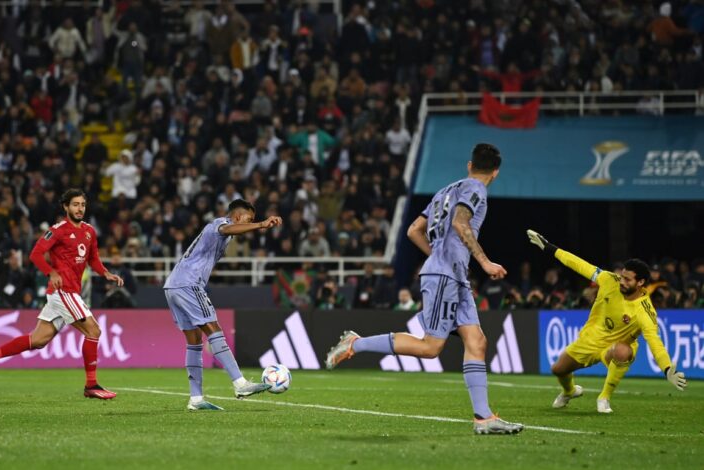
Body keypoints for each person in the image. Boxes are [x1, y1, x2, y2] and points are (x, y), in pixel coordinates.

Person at [325, 143, 523, 435]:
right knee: (431, 347)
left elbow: (413, 230)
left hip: (452, 275)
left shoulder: (445, 190)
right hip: (445, 275)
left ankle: (484, 418)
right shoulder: (476, 190)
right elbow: (460, 223)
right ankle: (356, 343)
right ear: (495, 172)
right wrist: (484, 261)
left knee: (476, 341)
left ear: (470, 165)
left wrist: (438, 255)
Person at [0, 189, 125, 400]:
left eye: (82, 204)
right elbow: (35, 254)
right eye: (75, 204)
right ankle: (91, 385)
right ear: (66, 207)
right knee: (94, 330)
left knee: (38, 340)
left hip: (67, 294)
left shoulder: (89, 231)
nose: (80, 208)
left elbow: (93, 259)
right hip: (64, 292)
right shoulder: (58, 230)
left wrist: (105, 273)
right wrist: (51, 272)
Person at [526, 230, 687, 413]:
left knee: (623, 351)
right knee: (558, 369)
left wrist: (667, 368)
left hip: (614, 346)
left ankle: (604, 397)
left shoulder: (645, 310)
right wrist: (550, 248)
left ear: (641, 282)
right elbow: (580, 265)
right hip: (590, 340)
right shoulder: (609, 280)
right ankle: (569, 391)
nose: (622, 281)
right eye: (622, 276)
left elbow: (654, 342)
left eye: (627, 279)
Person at [164, 199, 282, 411]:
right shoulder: (219, 225)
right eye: (249, 218)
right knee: (213, 328)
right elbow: (228, 228)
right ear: (237, 216)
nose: (251, 222)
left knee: (194, 340)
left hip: (173, 285)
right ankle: (240, 383)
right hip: (188, 283)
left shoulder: (220, 232)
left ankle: (196, 399)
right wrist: (261, 224)